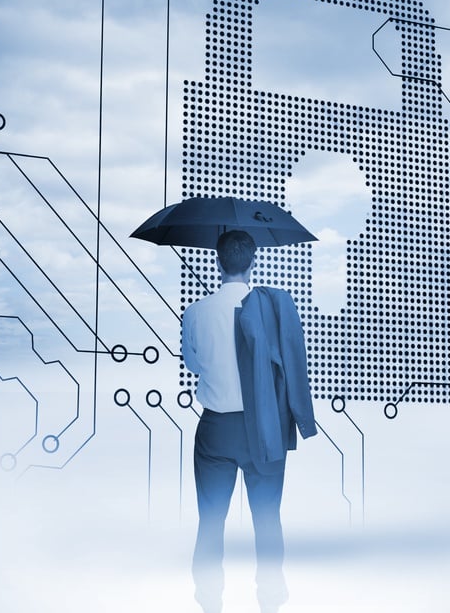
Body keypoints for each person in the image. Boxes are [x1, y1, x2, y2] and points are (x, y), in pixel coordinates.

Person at [182, 230, 317, 613]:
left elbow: (192, 365)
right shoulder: (272, 308)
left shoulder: (195, 312)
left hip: (215, 431)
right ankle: (270, 601)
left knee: (210, 519)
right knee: (267, 518)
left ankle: (209, 601)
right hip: (265, 428)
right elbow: (291, 366)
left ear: (217, 262)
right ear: (253, 262)